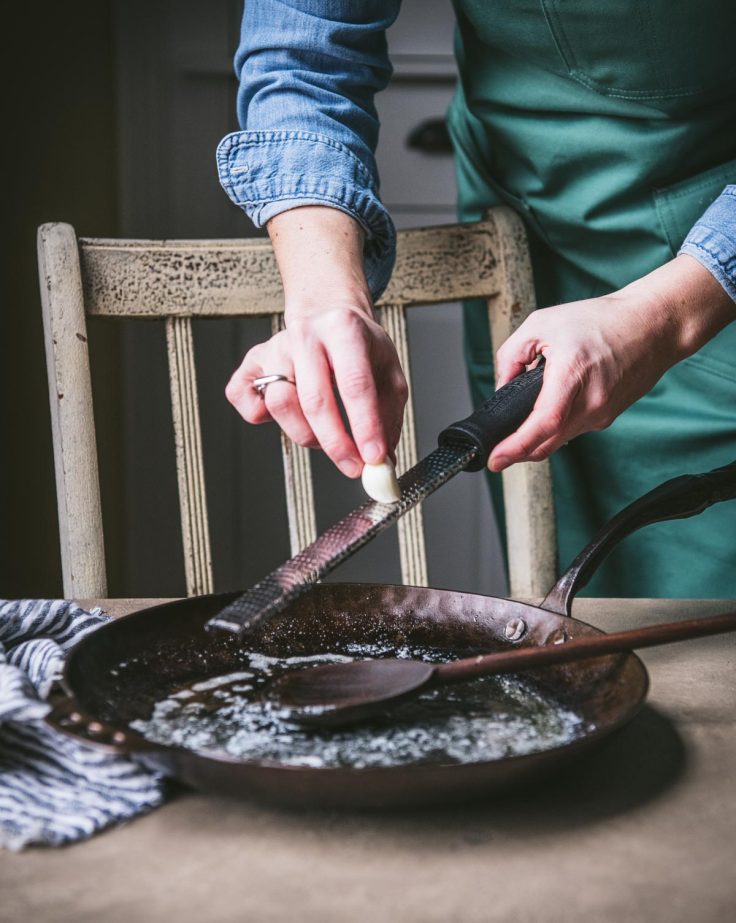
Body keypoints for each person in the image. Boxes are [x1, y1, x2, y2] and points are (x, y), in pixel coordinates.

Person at [216, 1, 736, 596]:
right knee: (571, 607)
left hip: (715, 269)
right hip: (524, 219)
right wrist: (327, 294)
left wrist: (669, 314)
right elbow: (303, 53)